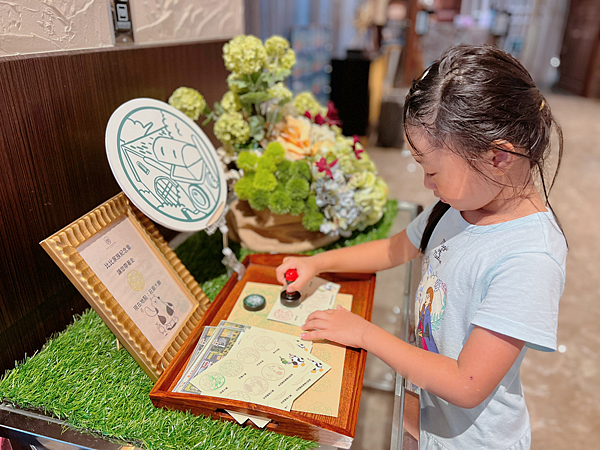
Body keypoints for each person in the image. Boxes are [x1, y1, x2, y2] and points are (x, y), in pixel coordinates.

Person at [276, 44, 567, 450]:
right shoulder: (460, 202)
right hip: (426, 413)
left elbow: (467, 384)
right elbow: (396, 249)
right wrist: (317, 263)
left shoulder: (530, 259)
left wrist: (364, 333)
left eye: (432, 170)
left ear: (499, 156)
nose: (427, 184)